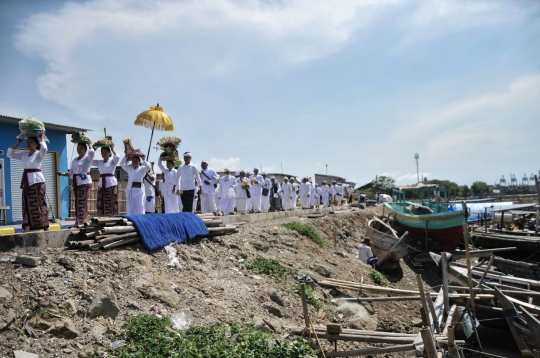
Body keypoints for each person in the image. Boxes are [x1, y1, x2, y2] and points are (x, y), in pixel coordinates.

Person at [8, 130, 49, 232]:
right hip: (27, 183)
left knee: (39, 204)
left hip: (37, 182)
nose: (28, 144)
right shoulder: (24, 155)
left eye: (31, 142)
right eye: (28, 142)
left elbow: (44, 148)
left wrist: (42, 137)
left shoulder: (39, 154)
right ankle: (27, 228)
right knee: (26, 204)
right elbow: (10, 154)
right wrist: (18, 142)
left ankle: (45, 227)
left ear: (36, 144)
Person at [58, 139, 95, 228]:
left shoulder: (87, 158)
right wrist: (62, 174)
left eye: (81, 148)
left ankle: (80, 222)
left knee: (81, 202)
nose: (79, 150)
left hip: (85, 182)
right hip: (77, 183)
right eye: (78, 148)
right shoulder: (74, 160)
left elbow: (92, 153)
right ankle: (81, 221)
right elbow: (71, 173)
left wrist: (90, 145)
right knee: (78, 202)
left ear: (85, 150)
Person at [92, 144, 120, 216]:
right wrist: (93, 150)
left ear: (109, 153)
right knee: (100, 201)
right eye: (102, 152)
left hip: (111, 183)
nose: (103, 154)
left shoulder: (112, 161)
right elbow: (89, 160)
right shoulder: (99, 162)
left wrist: (112, 149)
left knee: (111, 200)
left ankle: (113, 217)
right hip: (101, 183)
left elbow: (117, 157)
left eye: (105, 152)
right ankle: (102, 217)